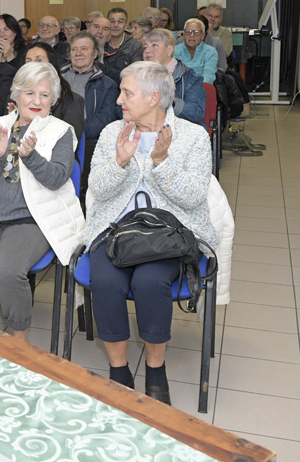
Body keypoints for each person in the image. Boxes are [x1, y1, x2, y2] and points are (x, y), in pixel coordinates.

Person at [85, 60, 216, 404]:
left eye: (127, 93)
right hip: (115, 230)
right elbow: (98, 189)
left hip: (169, 235)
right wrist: (120, 162)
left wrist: (162, 161)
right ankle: (118, 369)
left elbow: (193, 197)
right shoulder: (114, 133)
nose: (119, 101)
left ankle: (156, 369)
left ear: (154, 97)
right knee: (106, 281)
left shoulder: (192, 136)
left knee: (149, 282)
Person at [0, 62, 84, 341]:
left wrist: (31, 156)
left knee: (8, 274)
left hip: (32, 217)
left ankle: (20, 338)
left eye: (44, 95)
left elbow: (57, 178)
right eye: (30, 93)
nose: (36, 101)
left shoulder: (61, 131)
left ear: (54, 100)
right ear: (16, 95)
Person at [61, 32, 119, 189]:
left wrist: (75, 133)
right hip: (56, 137)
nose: (78, 53)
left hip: (87, 140)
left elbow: (105, 117)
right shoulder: (56, 78)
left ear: (95, 54)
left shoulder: (108, 84)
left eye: (84, 49)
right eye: (74, 49)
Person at [23, 43, 85, 149]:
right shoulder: (17, 96)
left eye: (39, 60)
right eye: (28, 62)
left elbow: (69, 144)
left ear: (52, 65)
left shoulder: (72, 100)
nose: (33, 65)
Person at [142, 29, 206, 128]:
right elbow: (121, 110)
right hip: (144, 129)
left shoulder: (190, 78)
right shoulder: (135, 77)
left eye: (154, 45)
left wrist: (169, 102)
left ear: (169, 50)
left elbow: (196, 113)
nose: (147, 51)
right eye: (145, 46)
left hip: (180, 132)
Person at [103, 8, 143, 83]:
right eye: (112, 21)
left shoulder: (135, 46)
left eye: (120, 22)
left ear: (126, 26)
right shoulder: (101, 42)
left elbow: (136, 74)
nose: (115, 25)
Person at [174, 17, 218, 84]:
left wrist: (194, 89)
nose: (192, 35)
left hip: (201, 89)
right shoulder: (174, 51)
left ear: (203, 36)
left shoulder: (210, 52)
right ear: (184, 35)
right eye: (188, 32)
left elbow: (208, 77)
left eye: (196, 32)